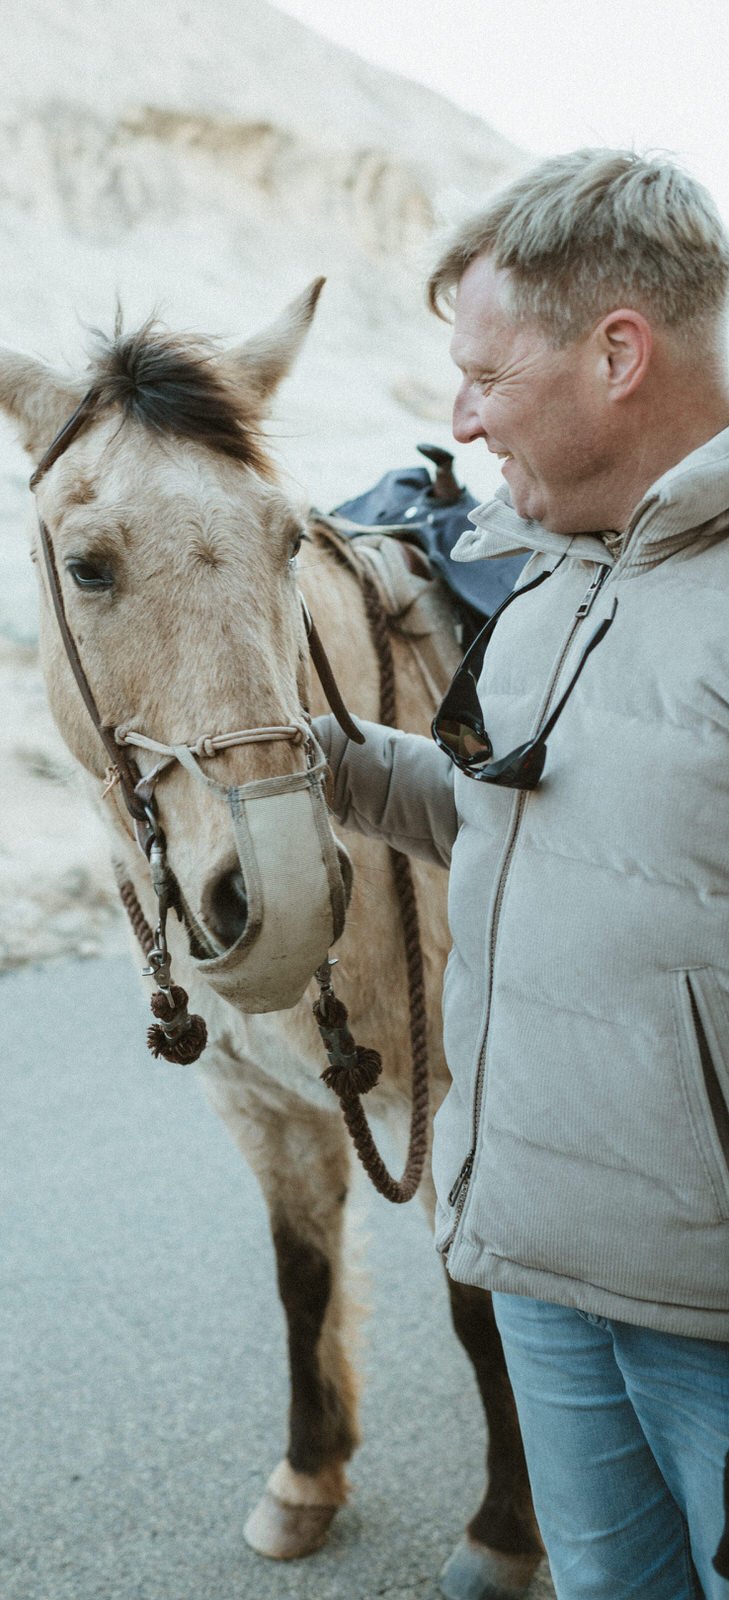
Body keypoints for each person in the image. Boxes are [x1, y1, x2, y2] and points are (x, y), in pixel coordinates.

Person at [315, 148, 729, 1599]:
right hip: (535, 1273)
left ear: (617, 354)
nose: (459, 416)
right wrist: (329, 759)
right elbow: (524, 823)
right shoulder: (548, 579)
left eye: (484, 373)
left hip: (710, 1312)